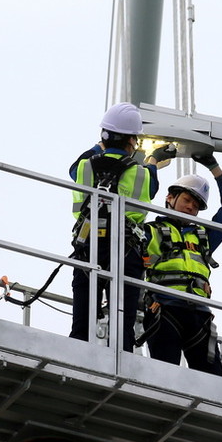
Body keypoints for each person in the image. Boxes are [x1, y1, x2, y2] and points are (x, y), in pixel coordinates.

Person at [68, 102, 173, 351]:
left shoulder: (84, 166)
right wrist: (153, 159)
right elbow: (151, 187)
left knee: (81, 322)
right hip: (126, 252)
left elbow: (74, 169)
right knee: (123, 324)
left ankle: (74, 359)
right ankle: (121, 360)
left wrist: (100, 146)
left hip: (88, 245)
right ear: (132, 142)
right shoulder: (140, 173)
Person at [141, 152, 222, 375]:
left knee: (213, 381)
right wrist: (153, 163)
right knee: (165, 376)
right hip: (164, 309)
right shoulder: (149, 232)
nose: (191, 208)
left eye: (196, 205)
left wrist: (213, 167)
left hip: (198, 314)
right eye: (187, 200)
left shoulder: (203, 236)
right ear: (170, 198)